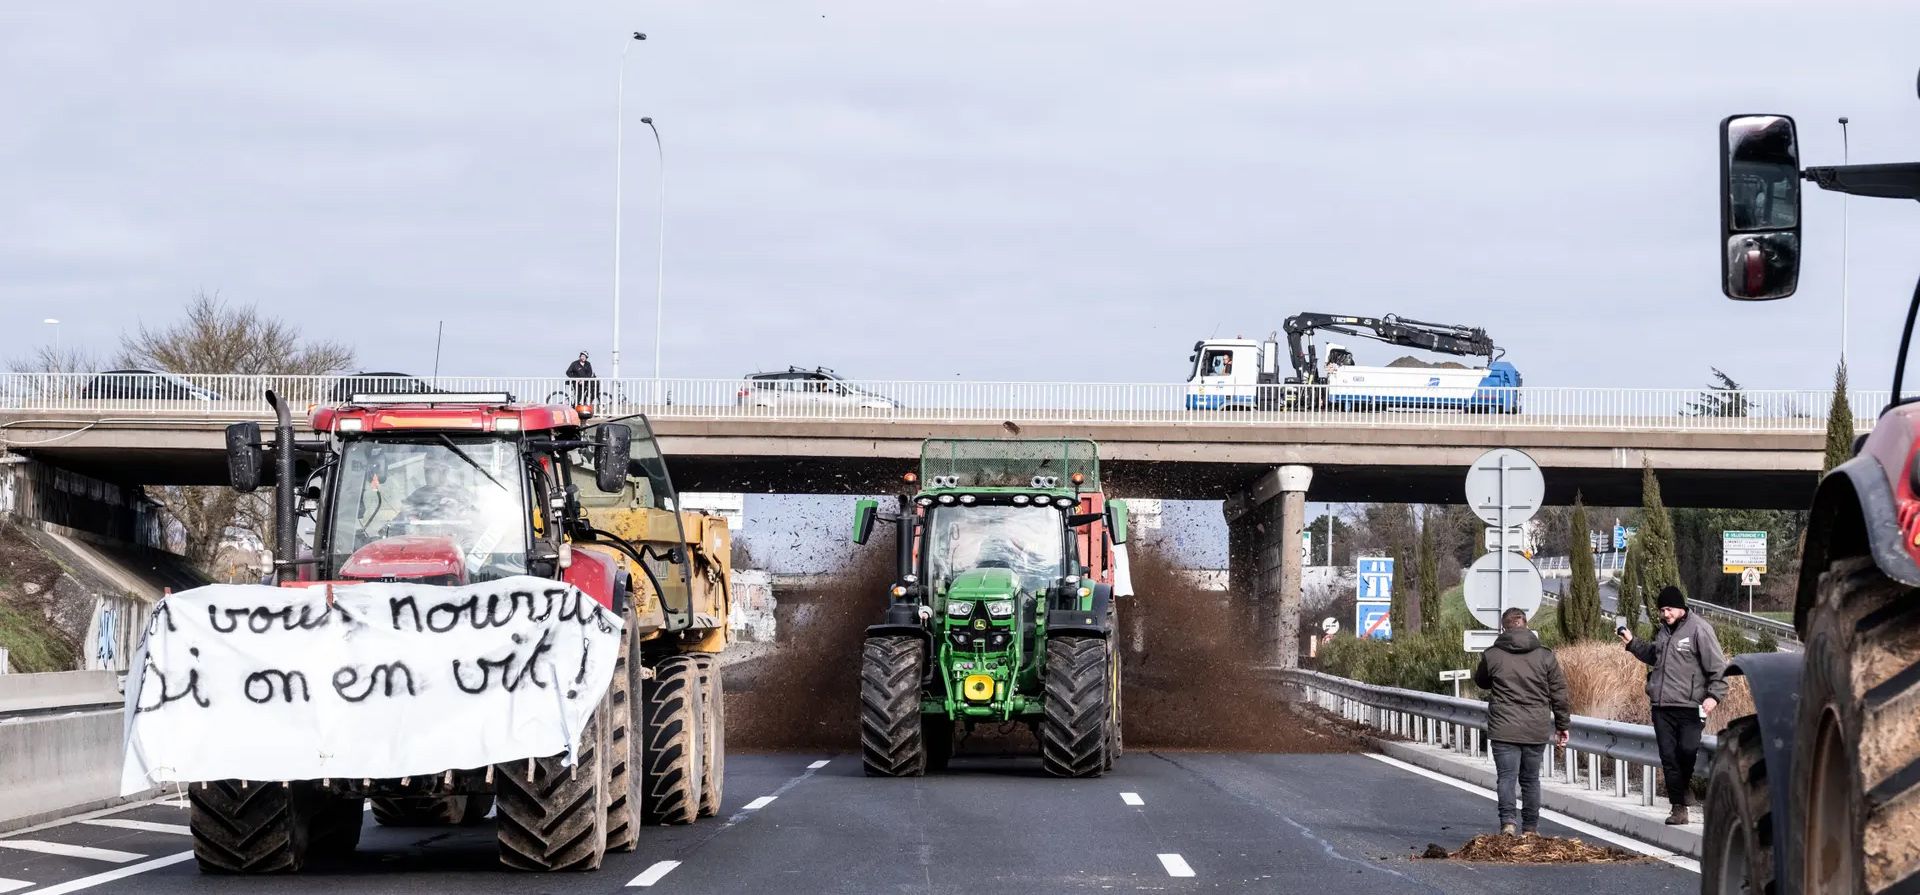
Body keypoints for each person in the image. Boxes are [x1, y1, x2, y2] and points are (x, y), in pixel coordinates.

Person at [1621, 586, 1728, 825]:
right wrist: (1632, 643)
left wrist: (1714, 696)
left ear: (1681, 607)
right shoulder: (1663, 632)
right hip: (1662, 707)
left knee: (1687, 751)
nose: (1665, 614)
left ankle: (1683, 789)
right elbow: (1654, 655)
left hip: (1691, 706)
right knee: (1669, 757)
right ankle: (1679, 807)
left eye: (1669, 609)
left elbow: (1718, 668)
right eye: (1662, 610)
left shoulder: (1699, 629)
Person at [1472, 607, 1571, 837]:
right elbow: (1559, 693)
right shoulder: (1545, 655)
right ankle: (1530, 828)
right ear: (1527, 625)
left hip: (1504, 727)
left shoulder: (1492, 655)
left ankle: (1508, 823)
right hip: (1536, 727)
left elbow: (1481, 681)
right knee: (1530, 779)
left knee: (1506, 777)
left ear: (1503, 627)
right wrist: (1562, 725)